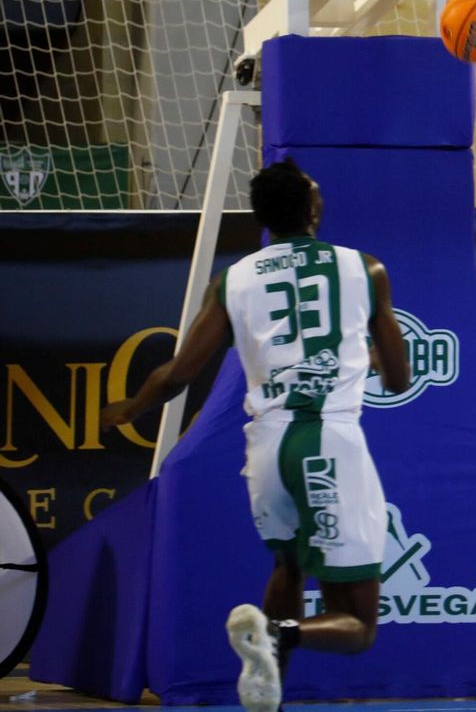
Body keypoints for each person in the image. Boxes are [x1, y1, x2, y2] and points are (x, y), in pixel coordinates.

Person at [100, 159, 411, 712]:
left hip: (266, 446)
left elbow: (176, 374)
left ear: (263, 218)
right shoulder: (366, 268)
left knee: (288, 565)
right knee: (361, 625)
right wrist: (359, 357)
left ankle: (266, 691)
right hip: (329, 444)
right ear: (314, 209)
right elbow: (399, 377)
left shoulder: (234, 279)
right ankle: (278, 635)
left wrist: (131, 407)